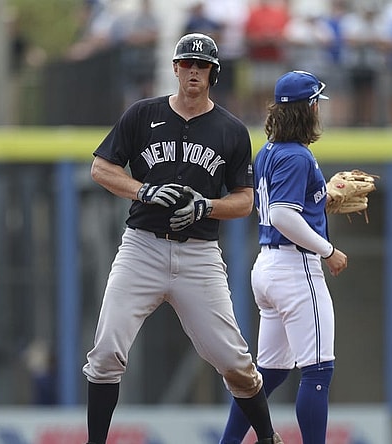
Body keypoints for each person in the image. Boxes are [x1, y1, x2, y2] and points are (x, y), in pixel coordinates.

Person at [82, 32, 282, 444]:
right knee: (105, 353)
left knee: (234, 360)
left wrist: (207, 206)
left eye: (202, 65)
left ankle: (267, 437)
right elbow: (101, 168)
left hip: (199, 255)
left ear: (213, 73)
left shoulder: (229, 129)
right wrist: (143, 189)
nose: (194, 71)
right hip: (141, 248)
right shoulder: (142, 114)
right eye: (187, 63)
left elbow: (245, 201)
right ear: (174, 68)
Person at [221, 70, 348, 444]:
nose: (318, 112)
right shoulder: (296, 155)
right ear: (308, 108)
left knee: (270, 373)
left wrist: (323, 198)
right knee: (318, 371)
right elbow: (281, 214)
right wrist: (328, 250)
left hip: (268, 267)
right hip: (296, 268)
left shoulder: (270, 152)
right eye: (316, 105)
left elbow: (287, 208)